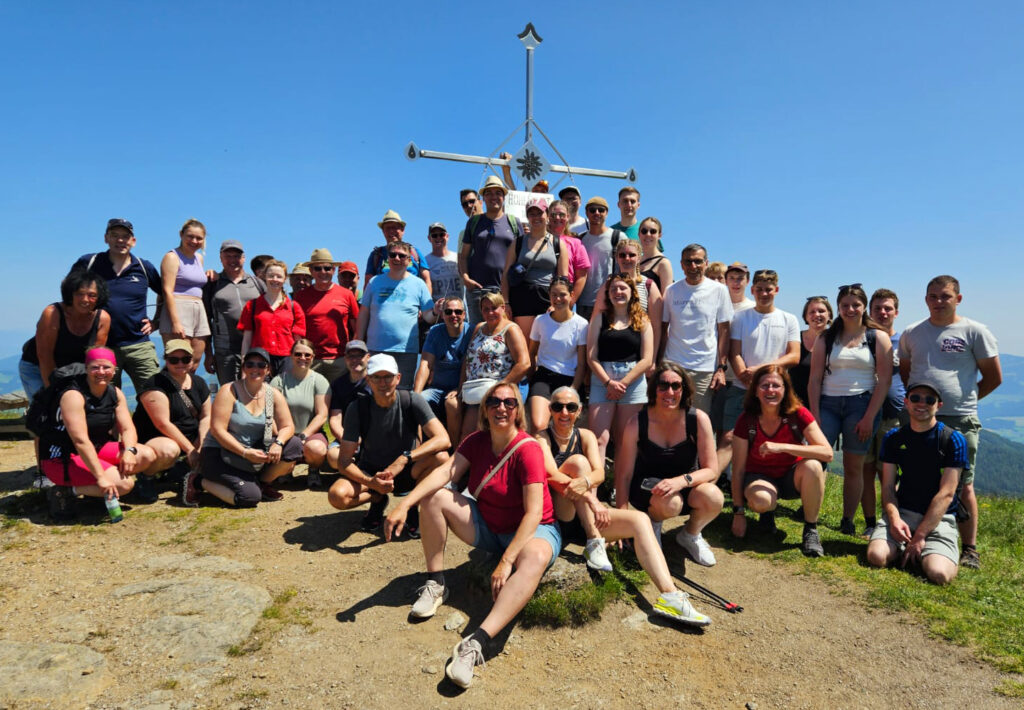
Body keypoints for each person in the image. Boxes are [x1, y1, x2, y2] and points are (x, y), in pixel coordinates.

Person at [382, 383, 562, 689]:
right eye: (494, 402)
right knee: (434, 498)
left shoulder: (528, 449)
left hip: (533, 531)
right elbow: (446, 473)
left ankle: (476, 642)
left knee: (536, 556)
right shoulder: (476, 441)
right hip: (491, 526)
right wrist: (405, 503)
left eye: (509, 402)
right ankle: (436, 583)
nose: (501, 407)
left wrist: (506, 561)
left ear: (518, 411)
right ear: (484, 410)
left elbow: (533, 514)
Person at [538, 384, 713, 622]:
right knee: (578, 462)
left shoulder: (586, 436)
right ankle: (594, 540)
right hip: (561, 515)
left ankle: (670, 595)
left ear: (579, 411)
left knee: (640, 520)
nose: (564, 413)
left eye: (571, 407)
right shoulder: (541, 438)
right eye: (558, 407)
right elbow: (552, 476)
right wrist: (592, 499)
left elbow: (600, 473)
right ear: (550, 409)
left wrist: (589, 492)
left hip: (586, 516)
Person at [899, 275, 1001, 570]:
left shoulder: (974, 331)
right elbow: (907, 373)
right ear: (925, 299)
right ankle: (913, 535)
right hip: (919, 417)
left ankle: (970, 548)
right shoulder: (912, 332)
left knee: (963, 484)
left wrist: (964, 400)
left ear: (958, 298)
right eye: (933, 296)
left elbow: (993, 377)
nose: (938, 301)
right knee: (916, 476)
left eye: (945, 296)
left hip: (959, 417)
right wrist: (920, 405)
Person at [327, 354, 450, 536]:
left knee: (442, 458)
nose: (382, 383)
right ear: (368, 380)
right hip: (371, 472)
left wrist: (404, 458)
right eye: (376, 377)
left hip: (408, 470)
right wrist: (371, 483)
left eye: (388, 377)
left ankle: (411, 506)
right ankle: (377, 498)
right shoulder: (357, 408)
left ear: (398, 378)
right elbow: (344, 461)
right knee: (337, 496)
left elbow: (443, 439)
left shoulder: (412, 400)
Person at [615, 363, 723, 564]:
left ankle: (690, 534)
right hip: (648, 490)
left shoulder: (698, 419)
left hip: (685, 485)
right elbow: (624, 475)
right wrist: (622, 520)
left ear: (684, 389)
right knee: (670, 502)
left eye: (676, 386)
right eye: (663, 385)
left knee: (713, 496)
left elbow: (711, 470)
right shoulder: (637, 422)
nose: (670, 392)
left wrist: (681, 481)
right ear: (654, 388)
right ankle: (653, 524)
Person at [808, 284, 892, 537]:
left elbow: (884, 381)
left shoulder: (877, 337)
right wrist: (814, 415)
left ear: (864, 307)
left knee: (853, 465)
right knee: (817, 460)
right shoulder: (826, 338)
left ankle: (847, 519)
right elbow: (814, 379)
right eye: (845, 305)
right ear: (838, 308)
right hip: (828, 404)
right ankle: (811, 515)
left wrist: (869, 417)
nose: (850, 309)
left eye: (856, 305)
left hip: (862, 404)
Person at [866, 382, 966, 584]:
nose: (922, 403)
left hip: (940, 518)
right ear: (906, 402)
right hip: (903, 513)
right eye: (915, 398)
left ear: (939, 405)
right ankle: (909, 550)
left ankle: (920, 549)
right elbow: (888, 487)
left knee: (939, 574)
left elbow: (947, 493)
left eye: (929, 400)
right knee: (876, 556)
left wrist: (920, 535)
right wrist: (894, 520)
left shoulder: (953, 439)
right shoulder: (893, 438)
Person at [39, 347, 156, 520]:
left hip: (96, 448)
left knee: (146, 455)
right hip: (62, 457)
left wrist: (129, 451)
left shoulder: (114, 393)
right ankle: (65, 491)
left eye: (106, 367)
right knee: (124, 485)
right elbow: (80, 441)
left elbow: (127, 428)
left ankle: (95, 489)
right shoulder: (73, 396)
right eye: (95, 367)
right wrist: (101, 477)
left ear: (114, 370)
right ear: (86, 369)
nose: (101, 372)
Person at [730, 364, 832, 556]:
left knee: (813, 466)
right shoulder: (746, 420)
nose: (770, 390)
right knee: (761, 501)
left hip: (791, 477)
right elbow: (738, 469)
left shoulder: (798, 414)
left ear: (785, 390)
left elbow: (827, 453)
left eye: (776, 385)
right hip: (758, 477)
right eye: (764, 386)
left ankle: (811, 530)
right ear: (756, 391)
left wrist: (782, 447)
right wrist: (739, 513)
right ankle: (767, 513)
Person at [182, 347, 300, 508]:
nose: (255, 369)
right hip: (220, 453)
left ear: (268, 370)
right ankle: (197, 481)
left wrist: (278, 443)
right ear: (243, 368)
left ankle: (262, 483)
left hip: (251, 452)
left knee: (294, 445)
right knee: (249, 498)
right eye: (250, 364)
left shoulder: (272, 394)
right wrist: (244, 452)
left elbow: (288, 426)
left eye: (261, 365)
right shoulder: (229, 390)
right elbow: (217, 430)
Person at [720, 269, 800, 476]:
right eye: (760, 289)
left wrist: (762, 373)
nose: (764, 294)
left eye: (769, 289)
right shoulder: (740, 317)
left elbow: (794, 356)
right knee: (728, 438)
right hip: (742, 387)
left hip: (775, 391)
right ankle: (712, 482)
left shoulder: (789, 319)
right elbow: (734, 353)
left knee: (768, 438)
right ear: (753, 290)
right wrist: (745, 376)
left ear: (777, 290)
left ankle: (763, 481)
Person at [73, 218, 161, 392]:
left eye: (125, 236)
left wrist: (156, 322)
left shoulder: (143, 267)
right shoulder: (89, 263)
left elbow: (165, 294)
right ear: (106, 238)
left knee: (155, 394)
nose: (120, 240)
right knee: (105, 399)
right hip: (101, 345)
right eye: (114, 235)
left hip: (139, 344)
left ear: (133, 241)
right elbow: (70, 291)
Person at [132, 339, 211, 502]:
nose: (180, 364)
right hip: (158, 438)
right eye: (174, 360)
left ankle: (180, 470)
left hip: (190, 436)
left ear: (192, 360)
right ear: (166, 360)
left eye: (185, 359)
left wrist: (202, 443)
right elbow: (162, 424)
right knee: (169, 450)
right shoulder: (155, 384)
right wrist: (191, 450)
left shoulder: (199, 382)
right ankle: (146, 476)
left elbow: (206, 416)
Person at [587, 273, 654, 463]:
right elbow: (591, 357)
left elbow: (647, 359)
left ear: (632, 292)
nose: (618, 292)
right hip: (602, 380)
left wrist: (622, 384)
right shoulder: (600, 319)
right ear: (608, 294)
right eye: (613, 289)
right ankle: (596, 481)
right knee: (598, 440)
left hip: (632, 382)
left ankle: (620, 482)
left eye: (623, 288)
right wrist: (608, 383)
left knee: (625, 441)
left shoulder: (643, 320)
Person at [660, 243, 732, 414]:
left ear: (706, 263)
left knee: (698, 419)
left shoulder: (719, 290)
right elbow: (663, 329)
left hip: (703, 369)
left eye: (698, 261)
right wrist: (658, 363)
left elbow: (724, 331)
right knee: (670, 415)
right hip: (673, 365)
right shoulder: (671, 290)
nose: (693, 266)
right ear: (681, 265)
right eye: (688, 262)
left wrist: (721, 368)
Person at [20, 268, 111, 401]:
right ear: (70, 294)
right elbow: (44, 356)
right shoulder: (52, 313)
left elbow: (94, 359)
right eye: (79, 294)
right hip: (37, 367)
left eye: (92, 295)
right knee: (45, 408)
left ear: (99, 297)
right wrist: (52, 392)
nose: (85, 299)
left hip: (74, 370)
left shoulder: (102, 319)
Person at [356, 240, 436, 388]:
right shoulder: (374, 282)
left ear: (409, 260)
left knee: (402, 393)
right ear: (388, 258)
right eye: (393, 255)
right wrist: (359, 343)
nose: (397, 258)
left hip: (406, 352)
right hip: (375, 350)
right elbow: (364, 313)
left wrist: (436, 311)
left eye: (401, 255)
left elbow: (428, 317)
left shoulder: (419, 284)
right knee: (375, 392)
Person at [457, 292, 530, 444]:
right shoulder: (479, 328)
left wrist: (499, 388)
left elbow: (524, 364)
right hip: (476, 389)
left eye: (494, 308)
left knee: (482, 432)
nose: (490, 312)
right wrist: (460, 388)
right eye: (486, 309)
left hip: (500, 389)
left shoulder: (511, 330)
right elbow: (468, 359)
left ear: (503, 308)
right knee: (467, 435)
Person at [861, 288, 906, 536]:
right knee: (865, 471)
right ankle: (870, 524)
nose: (882, 312)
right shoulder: (862, 339)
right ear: (870, 311)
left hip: (893, 418)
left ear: (896, 312)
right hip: (863, 415)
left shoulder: (904, 343)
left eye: (888, 308)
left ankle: (889, 523)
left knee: (888, 474)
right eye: (877, 308)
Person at [459, 175, 524, 326]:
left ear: (503, 197)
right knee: (477, 334)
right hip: (478, 291)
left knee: (505, 333)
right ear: (483, 198)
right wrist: (466, 278)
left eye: (498, 193)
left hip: (506, 292)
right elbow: (463, 256)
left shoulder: (514, 222)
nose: (494, 197)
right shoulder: (474, 222)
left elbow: (522, 256)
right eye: (489, 193)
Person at [500, 197, 569, 336]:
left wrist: (556, 303)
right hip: (522, 296)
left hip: (548, 297)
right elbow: (506, 274)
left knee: (546, 341)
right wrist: (506, 303)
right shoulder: (517, 243)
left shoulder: (558, 244)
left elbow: (563, 279)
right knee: (525, 341)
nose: (536, 217)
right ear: (527, 217)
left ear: (547, 215)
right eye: (532, 214)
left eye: (539, 213)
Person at [527, 278, 588, 434]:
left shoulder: (581, 324)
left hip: (569, 379)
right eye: (554, 295)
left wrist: (573, 390)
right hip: (543, 377)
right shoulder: (540, 321)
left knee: (563, 428)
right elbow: (532, 352)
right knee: (538, 426)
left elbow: (582, 364)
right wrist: (530, 380)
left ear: (571, 295)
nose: (558, 299)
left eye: (562, 294)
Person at [270, 339, 330, 489]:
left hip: (310, 434)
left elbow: (322, 415)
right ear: (291, 356)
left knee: (316, 448)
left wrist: (303, 436)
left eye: (307, 355)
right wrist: (280, 437)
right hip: (284, 434)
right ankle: (286, 469)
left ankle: (314, 470)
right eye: (298, 354)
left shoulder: (320, 381)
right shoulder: (278, 381)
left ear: (313, 357)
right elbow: (270, 413)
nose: (302, 358)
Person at [203, 239, 265, 384]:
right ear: (221, 258)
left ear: (244, 258)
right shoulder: (213, 283)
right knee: (229, 392)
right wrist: (208, 354)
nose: (232, 260)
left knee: (256, 391)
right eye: (228, 256)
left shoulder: (257, 283)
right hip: (225, 351)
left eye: (236, 256)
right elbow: (205, 320)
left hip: (255, 349)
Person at [294, 248, 360, 384]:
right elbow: (296, 329)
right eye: (318, 268)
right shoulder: (300, 296)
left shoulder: (346, 295)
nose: (323, 272)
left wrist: (352, 353)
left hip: (339, 359)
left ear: (333, 270)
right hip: (310, 359)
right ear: (311, 271)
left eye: (327, 268)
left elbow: (357, 327)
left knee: (339, 396)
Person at [591, 237, 665, 357]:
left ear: (639, 257)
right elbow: (596, 319)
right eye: (622, 255)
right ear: (616, 258)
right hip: (610, 351)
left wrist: (652, 359)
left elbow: (656, 327)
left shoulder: (649, 286)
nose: (627, 258)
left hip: (640, 353)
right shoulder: (608, 285)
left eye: (631, 255)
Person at [710, 262, 754, 448]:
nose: (736, 283)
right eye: (732, 278)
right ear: (726, 281)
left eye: (740, 279)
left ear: (747, 281)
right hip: (714, 376)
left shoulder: (752, 308)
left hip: (739, 380)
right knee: (709, 427)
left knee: (730, 434)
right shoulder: (715, 305)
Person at [238, 259, 306, 376]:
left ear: (285, 279)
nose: (275, 279)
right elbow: (246, 340)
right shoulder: (252, 305)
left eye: (279, 276)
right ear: (265, 277)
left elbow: (298, 341)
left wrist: (299, 366)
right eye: (271, 276)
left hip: (287, 359)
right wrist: (244, 367)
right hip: (259, 360)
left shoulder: (294, 307)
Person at [158, 218, 210, 370]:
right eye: (190, 236)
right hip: (178, 308)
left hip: (198, 308)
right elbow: (167, 290)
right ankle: (168, 386)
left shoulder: (199, 258)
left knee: (195, 360)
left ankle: (189, 386)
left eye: (199, 238)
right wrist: (175, 322)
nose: (194, 241)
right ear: (181, 235)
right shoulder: (172, 257)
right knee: (180, 360)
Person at [325, 339, 372, 475]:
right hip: (346, 437)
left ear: (368, 357)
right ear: (345, 359)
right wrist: (348, 440)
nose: (355, 360)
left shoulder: (376, 381)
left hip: (373, 438)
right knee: (333, 457)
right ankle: (357, 472)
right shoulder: (338, 384)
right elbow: (335, 420)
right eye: (351, 356)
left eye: (360, 356)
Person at [577, 197, 624, 320]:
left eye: (601, 210)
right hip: (584, 303)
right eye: (592, 210)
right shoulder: (580, 240)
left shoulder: (618, 237)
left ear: (607, 213)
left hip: (610, 301)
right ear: (586, 213)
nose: (596, 213)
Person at [364, 210, 432, 295]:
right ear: (383, 231)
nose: (391, 231)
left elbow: (427, 280)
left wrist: (426, 301)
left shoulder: (414, 252)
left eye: (395, 227)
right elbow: (368, 284)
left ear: (402, 230)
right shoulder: (376, 255)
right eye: (388, 228)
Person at [789, 296, 832, 407]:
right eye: (812, 312)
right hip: (796, 405)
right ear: (805, 317)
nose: (817, 315)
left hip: (829, 406)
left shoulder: (836, 341)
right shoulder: (794, 340)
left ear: (829, 315)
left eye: (821, 311)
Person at [546, 199, 589, 306]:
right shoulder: (538, 240)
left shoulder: (575, 243)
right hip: (540, 294)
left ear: (568, 217)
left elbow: (582, 276)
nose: (557, 218)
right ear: (548, 216)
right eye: (553, 215)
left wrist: (570, 301)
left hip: (562, 298)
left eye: (561, 215)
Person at [424, 222, 465, 311]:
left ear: (447, 236)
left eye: (441, 234)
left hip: (458, 311)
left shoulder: (458, 258)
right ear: (429, 238)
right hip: (437, 312)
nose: (438, 238)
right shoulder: (425, 262)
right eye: (434, 235)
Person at [636, 217, 673, 292]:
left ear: (659, 235)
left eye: (653, 231)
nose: (648, 234)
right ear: (639, 234)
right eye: (644, 231)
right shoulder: (636, 260)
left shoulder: (663, 263)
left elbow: (667, 296)